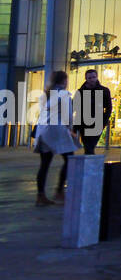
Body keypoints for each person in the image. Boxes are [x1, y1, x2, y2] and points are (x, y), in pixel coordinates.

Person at [35, 71, 77, 206]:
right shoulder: (64, 94)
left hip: (43, 131)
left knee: (44, 164)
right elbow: (68, 116)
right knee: (70, 159)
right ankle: (59, 191)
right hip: (57, 130)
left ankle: (40, 195)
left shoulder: (45, 94)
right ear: (64, 81)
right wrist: (71, 130)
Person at [74, 69, 112, 155]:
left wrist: (104, 121)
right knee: (88, 147)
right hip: (83, 123)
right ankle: (90, 165)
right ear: (86, 79)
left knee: (90, 147)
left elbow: (109, 107)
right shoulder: (80, 92)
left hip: (97, 122)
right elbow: (76, 108)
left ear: (97, 77)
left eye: (94, 77)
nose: (92, 79)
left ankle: (89, 165)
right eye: (90, 78)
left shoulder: (104, 91)